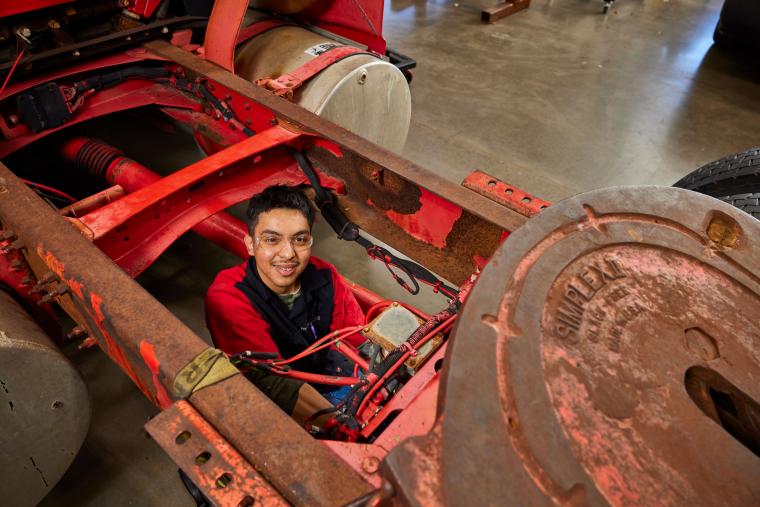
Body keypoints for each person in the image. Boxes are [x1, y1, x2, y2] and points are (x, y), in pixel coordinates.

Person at [205, 185, 366, 425]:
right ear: (250, 244)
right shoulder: (228, 297)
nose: (288, 253)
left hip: (333, 379)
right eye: (272, 240)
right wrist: (342, 425)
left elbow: (355, 341)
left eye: (299, 239)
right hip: (289, 398)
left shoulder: (325, 275)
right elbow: (271, 382)